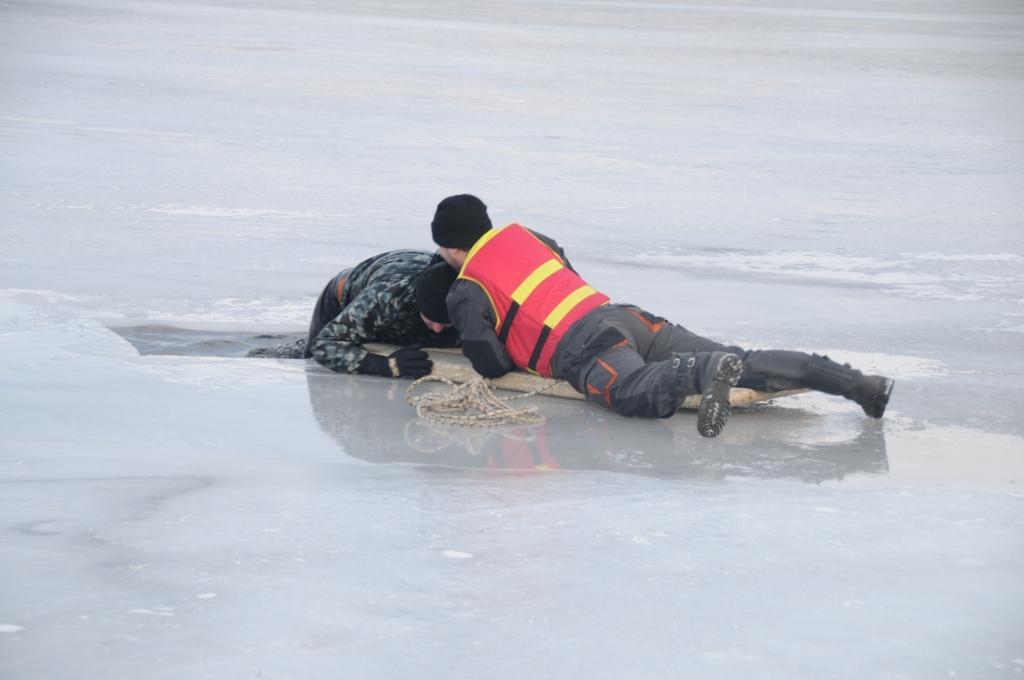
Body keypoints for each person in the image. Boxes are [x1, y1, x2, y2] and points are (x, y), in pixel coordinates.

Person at [426, 194, 895, 438]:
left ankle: (702, 373)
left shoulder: (466, 288)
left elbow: (488, 361)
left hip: (585, 347)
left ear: (449, 247)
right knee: (743, 358)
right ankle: (861, 385)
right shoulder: (528, 236)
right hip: (622, 316)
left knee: (632, 394)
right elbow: (562, 272)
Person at [249, 249, 459, 378]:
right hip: (342, 294)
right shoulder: (385, 299)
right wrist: (386, 366)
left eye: (446, 322)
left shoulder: (473, 301)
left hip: (416, 278)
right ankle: (283, 350)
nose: (439, 328)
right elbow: (324, 346)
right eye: (432, 320)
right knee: (313, 360)